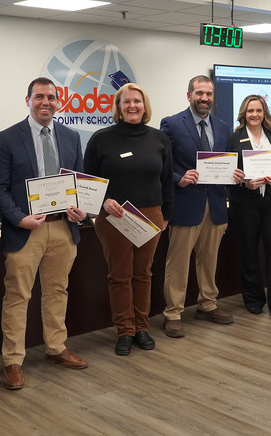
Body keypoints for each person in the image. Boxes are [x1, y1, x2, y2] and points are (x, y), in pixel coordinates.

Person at [0, 77, 89, 390]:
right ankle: (13, 361)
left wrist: (81, 208)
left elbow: (79, 181)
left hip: (63, 227)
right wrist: (19, 219)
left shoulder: (72, 137)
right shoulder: (7, 138)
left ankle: (56, 347)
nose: (45, 102)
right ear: (28, 100)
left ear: (58, 101)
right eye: (39, 97)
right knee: (18, 296)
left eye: (51, 97)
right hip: (25, 230)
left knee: (57, 290)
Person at [84, 84, 173, 355]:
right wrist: (103, 201)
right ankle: (125, 330)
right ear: (118, 107)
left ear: (145, 106)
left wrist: (166, 216)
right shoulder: (100, 139)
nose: (132, 106)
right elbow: (88, 181)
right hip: (114, 216)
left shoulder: (159, 139)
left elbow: (167, 180)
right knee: (119, 275)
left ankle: (142, 327)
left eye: (137, 101)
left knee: (143, 273)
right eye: (126, 102)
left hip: (150, 215)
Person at [159, 75, 243, 338]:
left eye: (208, 94)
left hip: (216, 204)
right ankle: (173, 312)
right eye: (199, 93)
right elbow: (163, 165)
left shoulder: (222, 126)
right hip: (185, 203)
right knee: (179, 263)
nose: (204, 98)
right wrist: (178, 178)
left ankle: (207, 304)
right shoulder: (172, 124)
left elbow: (226, 164)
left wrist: (235, 174)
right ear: (189, 96)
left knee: (209, 260)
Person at [228, 95, 271, 318]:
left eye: (258, 110)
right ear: (243, 113)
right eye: (250, 110)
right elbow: (230, 173)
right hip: (246, 203)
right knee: (249, 251)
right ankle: (254, 298)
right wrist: (245, 182)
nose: (254, 114)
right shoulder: (234, 138)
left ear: (265, 112)